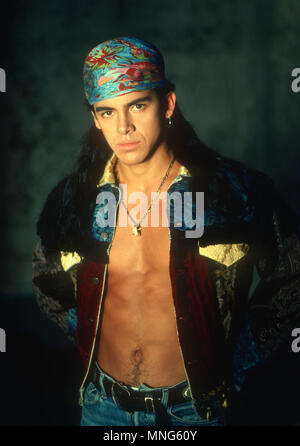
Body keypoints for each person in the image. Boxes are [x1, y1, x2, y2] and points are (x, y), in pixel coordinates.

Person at [32, 37, 300, 426]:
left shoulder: (234, 192)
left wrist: (238, 358)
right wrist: (88, 332)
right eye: (107, 112)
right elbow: (45, 281)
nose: (123, 126)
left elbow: (293, 276)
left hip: (197, 409)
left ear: (168, 104)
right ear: (95, 118)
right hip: (103, 407)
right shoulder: (74, 200)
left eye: (137, 105)